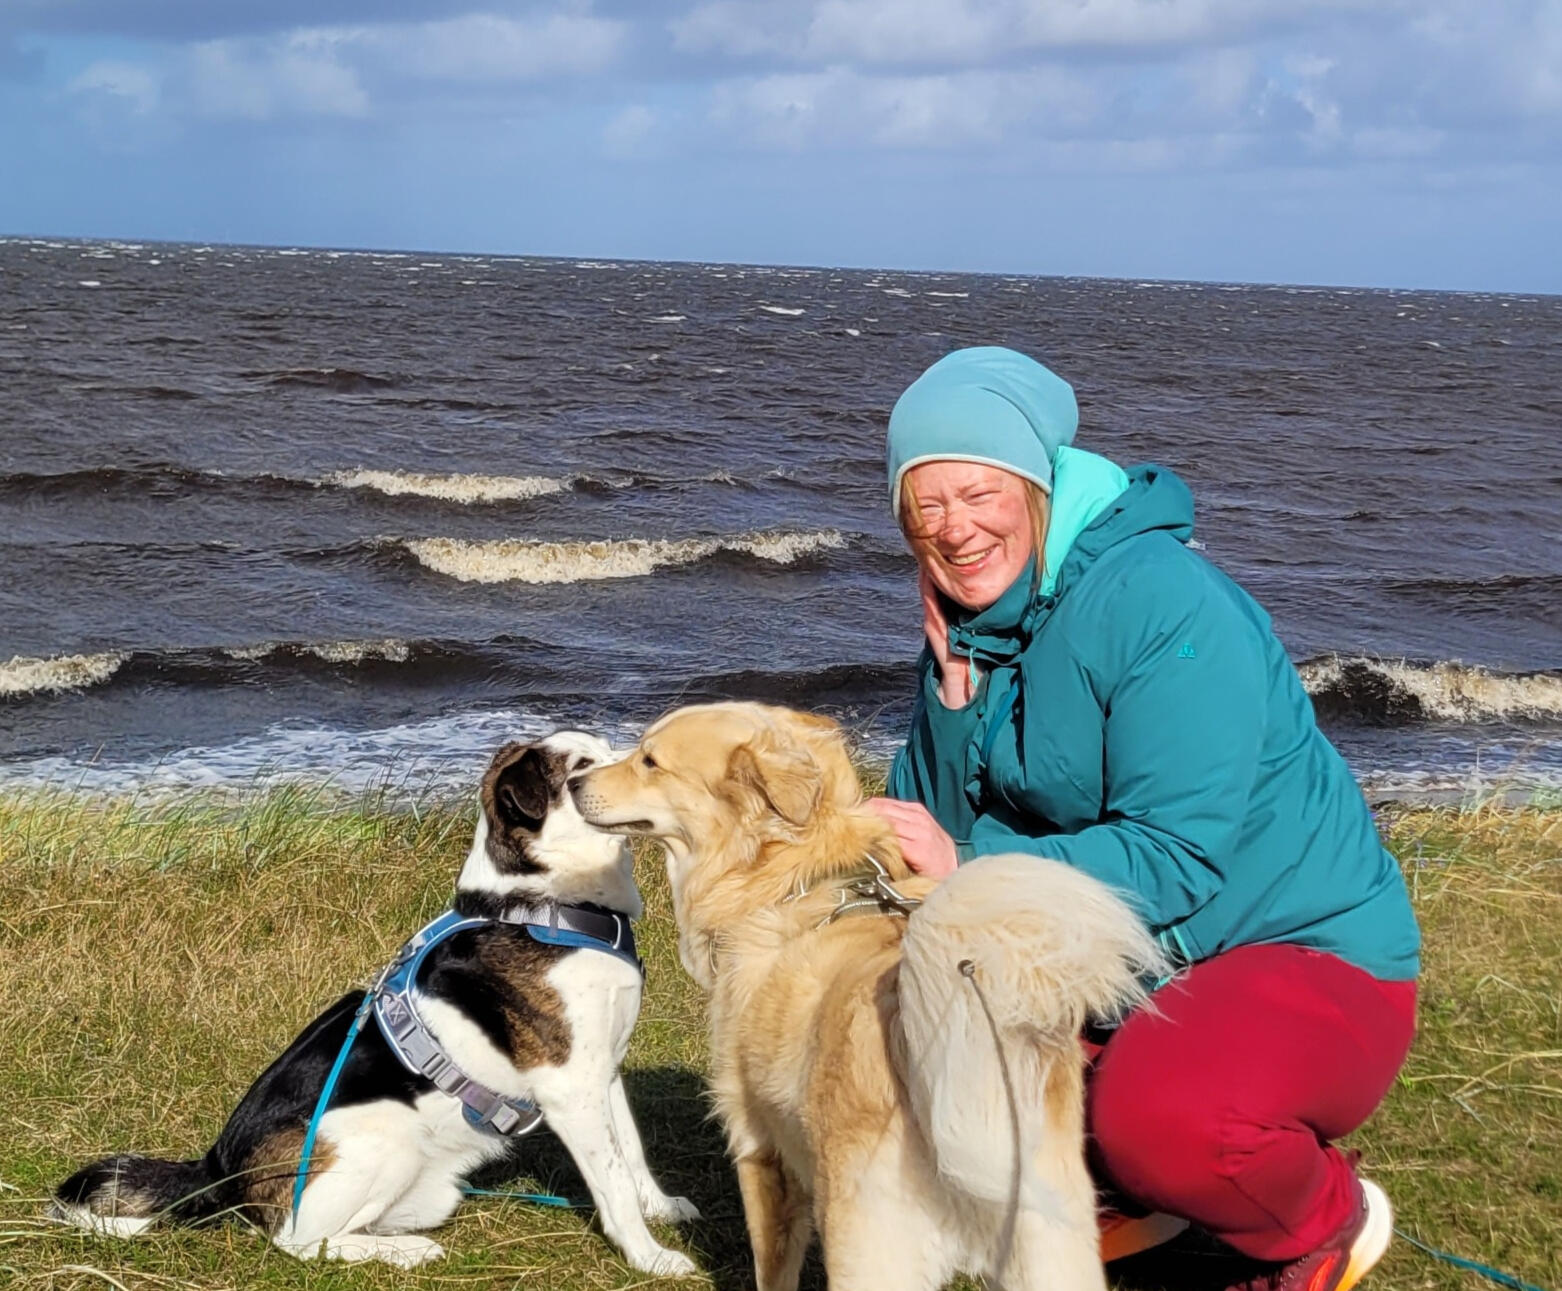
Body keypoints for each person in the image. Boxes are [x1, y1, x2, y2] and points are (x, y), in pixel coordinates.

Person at [864, 346, 1420, 1291]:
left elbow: (1174, 854)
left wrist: (967, 865)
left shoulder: (1156, 597)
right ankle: (1124, 1188)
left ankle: (1325, 1219)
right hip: (1136, 961)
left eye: (978, 493)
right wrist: (955, 707)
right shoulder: (971, 626)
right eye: (926, 504)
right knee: (899, 1035)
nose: (954, 529)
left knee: (1165, 1118)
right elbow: (930, 828)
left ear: (1035, 489)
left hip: (1302, 953)